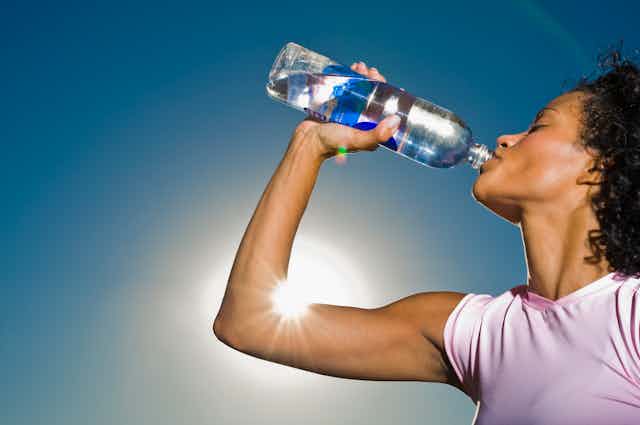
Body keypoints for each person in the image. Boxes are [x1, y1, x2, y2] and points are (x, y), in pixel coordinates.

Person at [214, 49, 640, 424]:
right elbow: (248, 322)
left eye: (537, 127)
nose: (506, 140)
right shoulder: (474, 330)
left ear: (599, 166)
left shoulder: (630, 314)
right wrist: (311, 144)